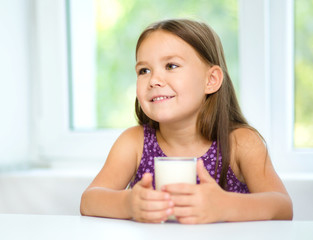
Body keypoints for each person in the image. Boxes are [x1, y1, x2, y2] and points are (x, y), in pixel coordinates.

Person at [80, 19, 293, 224]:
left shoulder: (241, 142)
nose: (154, 80)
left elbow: (283, 207)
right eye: (144, 70)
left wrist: (226, 206)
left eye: (171, 66)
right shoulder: (134, 142)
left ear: (211, 80)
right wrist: (128, 204)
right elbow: (88, 202)